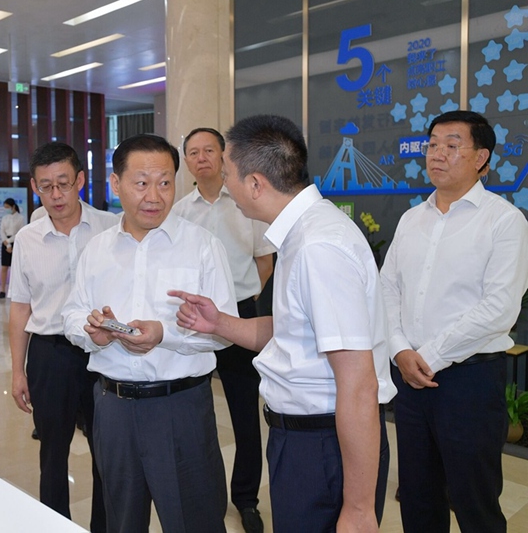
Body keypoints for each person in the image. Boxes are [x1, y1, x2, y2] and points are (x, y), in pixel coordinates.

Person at [171, 115, 397, 532]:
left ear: (256, 183)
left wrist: (359, 508)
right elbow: (297, 331)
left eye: (229, 174)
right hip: (306, 440)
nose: (226, 184)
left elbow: (359, 383)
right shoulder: (302, 234)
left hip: (324, 445)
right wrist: (219, 322)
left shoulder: (318, 247)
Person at [62, 134, 237, 533]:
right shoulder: (97, 249)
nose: (154, 196)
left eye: (165, 182)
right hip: (114, 409)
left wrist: (165, 334)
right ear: (115, 183)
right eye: (141, 183)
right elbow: (71, 313)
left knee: (195, 521)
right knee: (121, 520)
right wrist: (93, 333)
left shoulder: (202, 246)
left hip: (181, 408)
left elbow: (225, 330)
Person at [380, 110, 528, 533]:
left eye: (451, 145)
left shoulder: (504, 221)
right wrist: (400, 349)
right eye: (432, 144)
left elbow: (499, 308)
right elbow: (386, 289)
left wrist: (427, 356)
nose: (437, 154)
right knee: (417, 496)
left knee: (474, 500)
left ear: (481, 157)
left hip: (469, 382)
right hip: (410, 379)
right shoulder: (412, 219)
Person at [9, 142, 117, 532]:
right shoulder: (27, 239)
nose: (56, 195)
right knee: (52, 453)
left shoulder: (110, 227)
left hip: (102, 351)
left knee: (106, 452)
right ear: (34, 187)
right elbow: (20, 308)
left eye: (63, 183)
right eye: (46, 186)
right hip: (49, 354)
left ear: (80, 180)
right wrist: (18, 371)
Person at [173, 127, 274, 533]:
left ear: (222, 155)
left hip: (240, 317)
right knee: (195, 412)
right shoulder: (179, 211)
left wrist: (243, 305)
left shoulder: (245, 203)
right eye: (193, 152)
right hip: (194, 320)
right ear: (186, 161)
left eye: (209, 150)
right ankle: (205, 494)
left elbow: (264, 262)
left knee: (245, 414)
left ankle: (246, 499)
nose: (201, 158)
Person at [0, 197, 24, 299]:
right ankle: (2, 290)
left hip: (15, 242)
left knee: (16, 267)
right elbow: (1, 231)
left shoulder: (20, 218)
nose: (6, 209)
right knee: (4, 267)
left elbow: (20, 232)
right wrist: (7, 244)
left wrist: (9, 242)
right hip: (5, 243)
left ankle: (16, 290)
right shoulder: (5, 218)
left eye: (7, 207)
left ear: (13, 206)